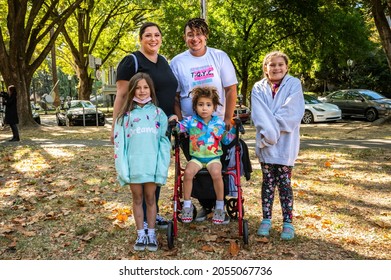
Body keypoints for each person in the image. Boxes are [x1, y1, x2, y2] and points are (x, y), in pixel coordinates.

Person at [170, 18, 238, 222]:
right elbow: (175, 96)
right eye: (190, 34)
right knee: (194, 169)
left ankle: (219, 206)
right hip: (192, 129)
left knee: (218, 169)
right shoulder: (177, 62)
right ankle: (203, 205)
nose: (194, 38)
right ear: (185, 37)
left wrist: (227, 119)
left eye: (199, 33)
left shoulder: (219, 56)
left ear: (206, 35)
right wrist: (181, 123)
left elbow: (231, 89)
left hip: (217, 127)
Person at [113, 22, 178, 229]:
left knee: (156, 167)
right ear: (141, 39)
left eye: (157, 35)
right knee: (142, 169)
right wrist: (116, 126)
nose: (153, 39)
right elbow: (122, 95)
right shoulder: (131, 61)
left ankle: (154, 212)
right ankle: (147, 218)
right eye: (148, 35)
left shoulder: (164, 61)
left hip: (161, 125)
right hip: (140, 127)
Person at [113, 72, 171, 251]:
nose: (142, 91)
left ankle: (151, 234)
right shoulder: (125, 117)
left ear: (151, 90)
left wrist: (161, 167)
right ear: (132, 90)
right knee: (137, 198)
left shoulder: (158, 114)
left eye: (145, 87)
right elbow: (119, 145)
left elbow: (163, 143)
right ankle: (140, 234)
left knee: (150, 199)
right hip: (134, 167)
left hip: (151, 167)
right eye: (138, 88)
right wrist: (123, 169)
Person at [251, 51, 305, 241]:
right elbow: (259, 115)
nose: (276, 68)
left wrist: (272, 130)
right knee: (267, 182)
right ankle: (266, 220)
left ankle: (288, 223)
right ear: (265, 68)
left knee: (284, 183)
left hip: (285, 143)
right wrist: (269, 132)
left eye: (280, 64)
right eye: (272, 65)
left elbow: (292, 112)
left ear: (286, 66)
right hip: (265, 143)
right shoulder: (258, 88)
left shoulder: (294, 85)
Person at [175, 86, 236, 224]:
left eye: (208, 105)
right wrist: (173, 122)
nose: (204, 108)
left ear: (214, 107)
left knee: (216, 173)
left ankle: (220, 206)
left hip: (213, 157)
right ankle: (187, 205)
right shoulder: (191, 121)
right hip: (196, 157)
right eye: (200, 104)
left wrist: (234, 129)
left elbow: (226, 140)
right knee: (188, 173)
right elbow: (179, 127)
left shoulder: (219, 123)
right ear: (195, 107)